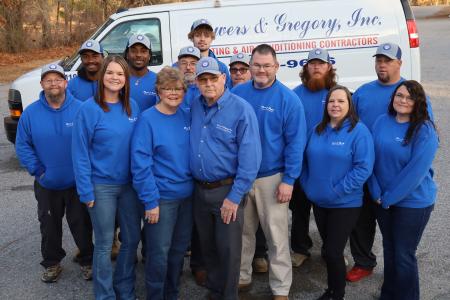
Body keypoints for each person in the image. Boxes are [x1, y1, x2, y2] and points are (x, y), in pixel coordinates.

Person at [233, 44, 306, 300]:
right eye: (256, 65)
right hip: (241, 177)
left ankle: (280, 288)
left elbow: (296, 143)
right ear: (249, 66)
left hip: (272, 178)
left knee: (276, 237)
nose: (261, 70)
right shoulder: (238, 93)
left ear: (276, 67)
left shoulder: (288, 100)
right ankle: (241, 277)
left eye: (266, 65)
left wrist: (289, 180)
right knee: (242, 234)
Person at [190, 57, 261, 300]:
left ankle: (229, 295)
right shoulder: (195, 105)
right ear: (197, 83)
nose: (208, 83)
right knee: (208, 247)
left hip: (226, 192)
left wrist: (234, 197)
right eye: (203, 79)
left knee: (228, 251)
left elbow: (250, 159)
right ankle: (214, 290)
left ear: (223, 78)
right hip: (199, 191)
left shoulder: (241, 110)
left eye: (213, 78)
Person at [15, 64, 94, 283]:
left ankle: (88, 261)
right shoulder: (31, 113)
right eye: (48, 80)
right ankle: (52, 263)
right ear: (42, 84)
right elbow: (23, 145)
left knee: (82, 224)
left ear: (65, 82)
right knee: (49, 226)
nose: (53, 84)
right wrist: (39, 171)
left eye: (58, 79)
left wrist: (86, 173)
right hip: (47, 183)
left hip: (77, 183)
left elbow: (92, 143)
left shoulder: (81, 109)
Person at [72, 55, 141, 299]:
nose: (115, 77)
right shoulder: (88, 109)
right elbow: (79, 153)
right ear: (102, 76)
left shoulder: (132, 106)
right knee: (103, 244)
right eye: (110, 72)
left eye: (120, 74)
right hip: (101, 186)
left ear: (126, 78)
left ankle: (125, 288)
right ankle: (104, 294)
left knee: (132, 240)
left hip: (130, 186)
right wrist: (85, 191)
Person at [301, 85, 374, 300]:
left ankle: (337, 294)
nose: (335, 105)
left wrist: (337, 192)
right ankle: (331, 289)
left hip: (345, 204)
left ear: (349, 105)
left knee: (333, 251)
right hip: (319, 201)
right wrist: (308, 186)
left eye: (341, 101)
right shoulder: (317, 129)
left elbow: (363, 168)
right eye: (332, 101)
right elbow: (304, 162)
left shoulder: (359, 131)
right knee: (329, 251)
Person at [368, 80, 438, 300]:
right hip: (382, 200)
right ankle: (389, 295)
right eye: (399, 96)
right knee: (389, 250)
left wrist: (388, 197)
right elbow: (370, 160)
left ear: (418, 102)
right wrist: (375, 190)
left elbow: (415, 172)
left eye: (409, 98)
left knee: (403, 254)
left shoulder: (424, 129)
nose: (403, 101)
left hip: (413, 203)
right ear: (393, 98)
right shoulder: (381, 121)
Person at [131, 67, 193, 300]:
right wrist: (150, 201)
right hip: (161, 199)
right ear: (158, 90)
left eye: (178, 88)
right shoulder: (148, 119)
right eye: (167, 88)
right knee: (159, 253)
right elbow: (140, 164)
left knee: (178, 252)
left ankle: (172, 294)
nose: (173, 93)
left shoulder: (187, 115)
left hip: (187, 197)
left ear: (184, 91)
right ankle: (155, 295)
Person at [347, 42, 406, 282]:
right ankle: (363, 262)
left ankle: (397, 267)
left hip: (392, 172)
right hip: (363, 169)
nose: (382, 65)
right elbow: (349, 125)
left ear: (399, 63)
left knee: (395, 225)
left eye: (388, 60)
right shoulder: (362, 92)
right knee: (360, 220)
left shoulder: (408, 92)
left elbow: (425, 130)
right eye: (379, 60)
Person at [291, 48, 337, 267]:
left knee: (327, 212)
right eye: (312, 63)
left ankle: (332, 250)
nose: (316, 67)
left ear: (329, 67)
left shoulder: (337, 95)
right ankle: (301, 249)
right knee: (299, 210)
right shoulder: (294, 95)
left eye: (321, 63)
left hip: (327, 166)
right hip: (300, 165)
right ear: (306, 67)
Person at [229, 51, 269, 274]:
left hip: (264, 170)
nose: (238, 73)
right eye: (234, 70)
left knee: (264, 221)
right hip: (237, 169)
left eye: (243, 69)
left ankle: (260, 255)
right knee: (244, 223)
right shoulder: (228, 95)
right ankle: (242, 269)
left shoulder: (266, 94)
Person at [188, 18, 232, 88]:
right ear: (192, 38)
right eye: (198, 35)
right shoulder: (181, 66)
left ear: (211, 39)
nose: (202, 39)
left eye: (206, 36)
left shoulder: (221, 67)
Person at [124, 34, 157, 112]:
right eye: (134, 51)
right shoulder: (119, 79)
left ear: (149, 56)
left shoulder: (159, 80)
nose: (138, 55)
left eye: (143, 51)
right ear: (127, 55)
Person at [176, 45, 201, 110]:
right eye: (184, 63)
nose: (188, 67)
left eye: (193, 63)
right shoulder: (169, 89)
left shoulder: (206, 88)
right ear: (178, 65)